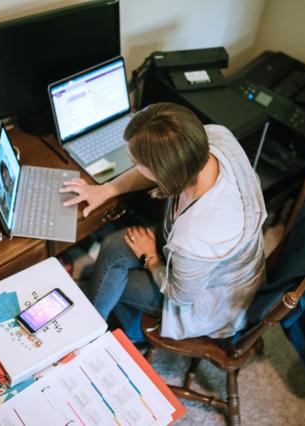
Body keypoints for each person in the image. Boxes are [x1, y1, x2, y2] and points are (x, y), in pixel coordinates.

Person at [60, 102, 267, 343]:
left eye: (138, 163)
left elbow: (181, 296)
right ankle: (98, 306)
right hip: (198, 257)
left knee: (106, 283)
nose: (135, 167)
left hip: (207, 301)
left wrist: (151, 259)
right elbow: (156, 171)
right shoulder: (212, 138)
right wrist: (107, 189)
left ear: (164, 173)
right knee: (113, 247)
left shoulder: (198, 233)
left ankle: (87, 335)